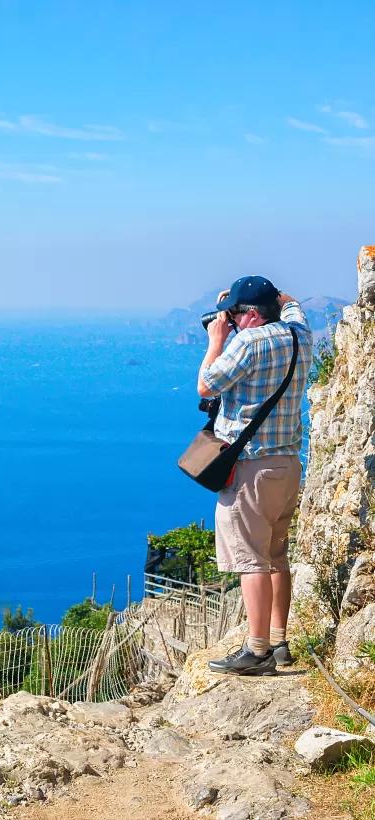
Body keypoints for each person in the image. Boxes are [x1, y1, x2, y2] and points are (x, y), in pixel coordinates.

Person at [196, 275, 313, 675]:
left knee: (251, 561)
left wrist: (217, 338)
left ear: (250, 315)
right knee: (276, 555)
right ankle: (279, 641)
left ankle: (257, 651)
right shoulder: (299, 333)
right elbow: (289, 301)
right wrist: (249, 300)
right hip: (287, 465)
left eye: (235, 313)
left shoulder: (247, 342)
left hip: (250, 468)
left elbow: (206, 385)